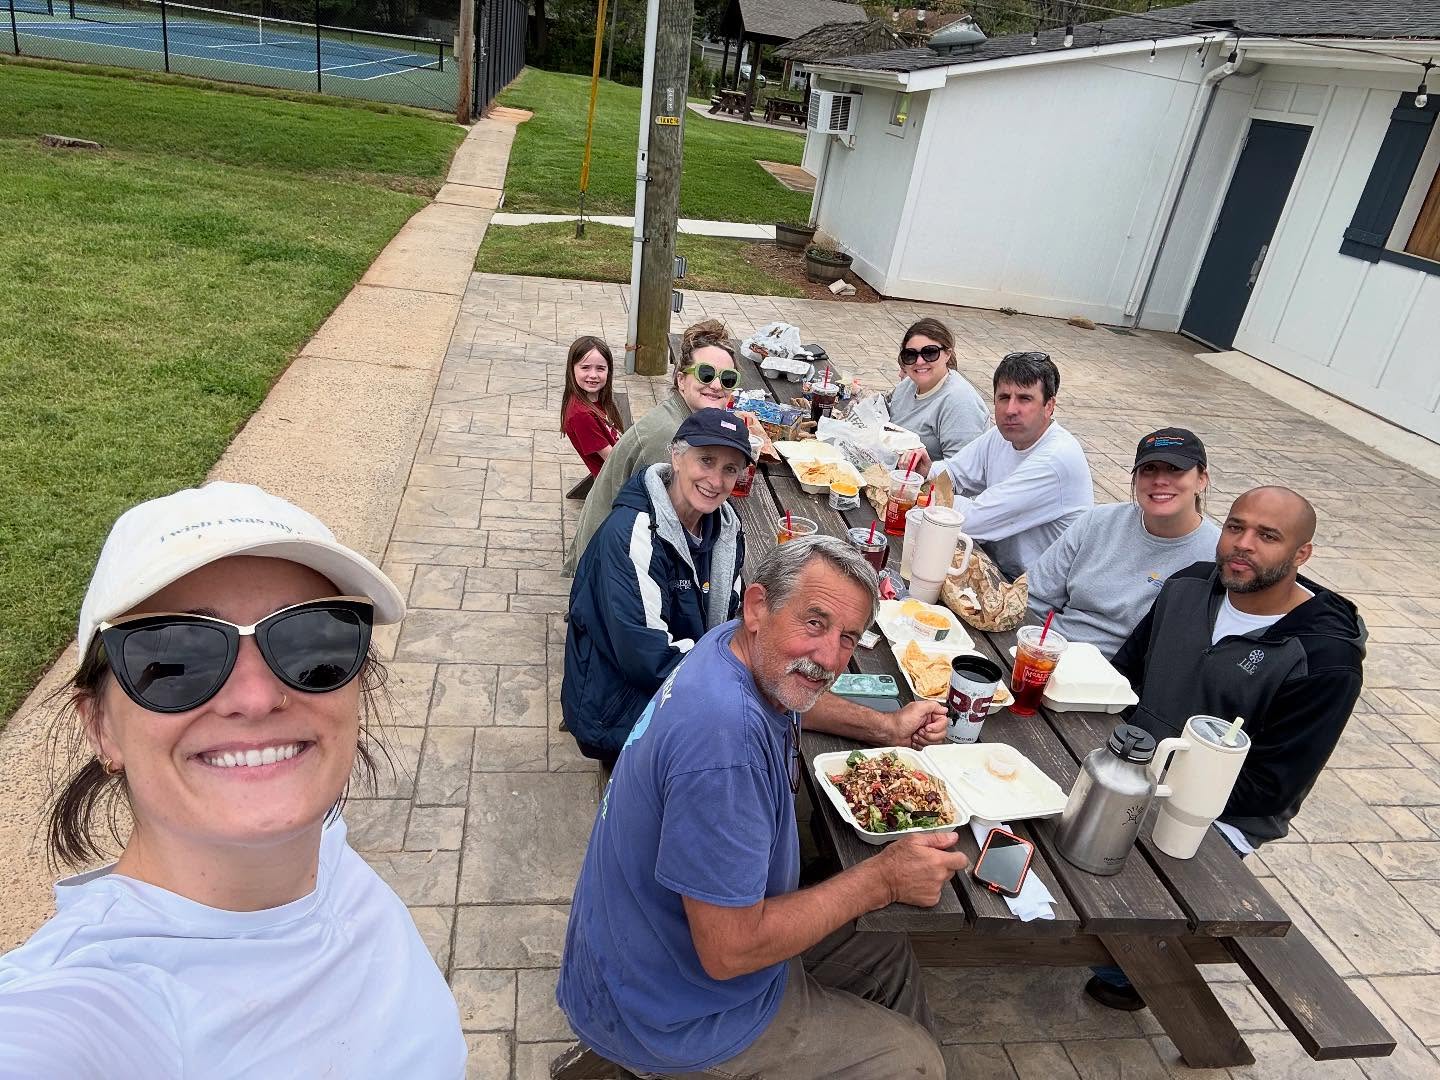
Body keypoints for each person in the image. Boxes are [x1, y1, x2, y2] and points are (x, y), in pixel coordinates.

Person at [0, 482, 466, 1077]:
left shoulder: (326, 848)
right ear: (101, 729)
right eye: (174, 659)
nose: (256, 696)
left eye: (311, 642)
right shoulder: (86, 1012)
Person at [557, 536, 961, 1079]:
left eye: (847, 638)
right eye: (814, 624)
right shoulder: (724, 747)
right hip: (669, 1008)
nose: (828, 658)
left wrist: (886, 726)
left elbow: (800, 693)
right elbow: (728, 951)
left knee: (887, 952)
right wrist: (883, 879)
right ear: (758, 607)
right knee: (917, 1063)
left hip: (640, 948)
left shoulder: (736, 647)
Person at [1088, 486, 1366, 1012]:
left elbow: (1271, 788)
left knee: (1126, 891)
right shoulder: (1189, 586)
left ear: (1301, 554)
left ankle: (1140, 968)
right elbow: (1123, 675)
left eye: (1267, 536)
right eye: (1235, 527)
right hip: (1137, 762)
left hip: (1218, 813)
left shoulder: (1324, 659)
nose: (1242, 545)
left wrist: (1144, 795)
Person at [563, 410, 755, 763]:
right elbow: (649, 659)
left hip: (676, 683)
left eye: (730, 468)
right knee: (741, 748)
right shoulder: (633, 534)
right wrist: (739, 678)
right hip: (616, 713)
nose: (716, 480)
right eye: (706, 461)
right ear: (677, 456)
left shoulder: (724, 527)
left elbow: (732, 615)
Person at [563, 318, 741, 576]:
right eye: (705, 374)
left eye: (727, 378)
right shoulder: (669, 439)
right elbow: (670, 530)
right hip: (606, 563)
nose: (716, 385)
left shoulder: (683, 418)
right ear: (681, 380)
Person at [1026, 427, 1220, 657]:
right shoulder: (1097, 522)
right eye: (1149, 469)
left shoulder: (1217, 555)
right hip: (1048, 652)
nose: (1160, 480)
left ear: (1201, 480)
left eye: (1175, 469)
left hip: (1122, 679)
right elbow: (1034, 597)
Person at [914, 350, 1093, 579]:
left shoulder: (1056, 459)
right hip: (991, 562)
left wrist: (926, 497)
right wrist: (927, 470)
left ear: (1049, 406)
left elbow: (971, 521)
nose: (1010, 410)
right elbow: (953, 474)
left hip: (1029, 593)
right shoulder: (1004, 435)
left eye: (1025, 399)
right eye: (1004, 397)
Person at [885, 317, 990, 463]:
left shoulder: (960, 402)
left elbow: (961, 473)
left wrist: (926, 472)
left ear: (947, 354)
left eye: (930, 353)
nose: (919, 361)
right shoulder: (907, 385)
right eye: (910, 355)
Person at [561, 334, 626, 477]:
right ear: (572, 369)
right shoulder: (581, 415)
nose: (593, 375)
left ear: (609, 371)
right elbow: (615, 462)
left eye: (600, 368)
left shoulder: (598, 398)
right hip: (615, 484)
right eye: (585, 367)